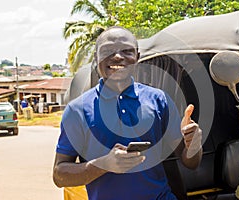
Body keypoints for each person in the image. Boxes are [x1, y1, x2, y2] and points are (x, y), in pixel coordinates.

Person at [53, 26, 203, 200]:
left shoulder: (158, 99)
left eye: (127, 51)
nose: (118, 57)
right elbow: (59, 175)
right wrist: (103, 164)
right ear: (96, 58)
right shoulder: (76, 110)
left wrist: (194, 144)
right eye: (108, 50)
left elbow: (191, 163)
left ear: (137, 57)